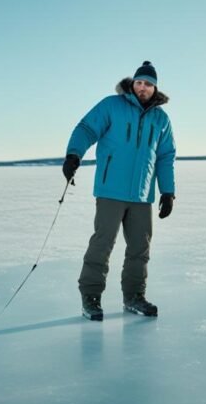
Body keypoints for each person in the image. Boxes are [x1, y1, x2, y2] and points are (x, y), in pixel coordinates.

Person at [63, 61, 176, 321]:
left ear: (154, 87)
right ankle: (91, 298)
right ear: (132, 83)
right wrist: (73, 155)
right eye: (139, 82)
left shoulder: (161, 119)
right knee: (102, 244)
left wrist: (167, 192)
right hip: (110, 190)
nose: (143, 87)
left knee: (140, 248)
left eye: (148, 84)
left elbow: (166, 156)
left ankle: (134, 297)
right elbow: (86, 129)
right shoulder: (112, 106)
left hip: (141, 194)